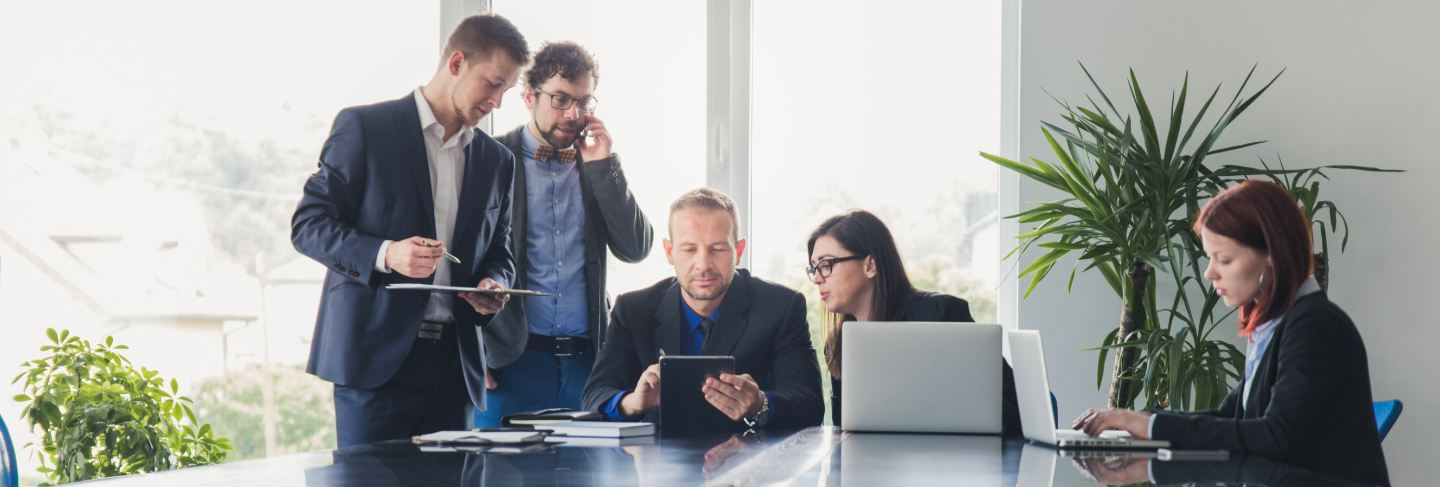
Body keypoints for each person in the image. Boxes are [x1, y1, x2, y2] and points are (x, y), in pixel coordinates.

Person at [290, 13, 528, 447]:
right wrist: (386, 253)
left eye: (506, 90)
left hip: (456, 368)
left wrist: (495, 283)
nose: (497, 101)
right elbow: (308, 225)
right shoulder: (365, 128)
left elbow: (501, 251)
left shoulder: (498, 161)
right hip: (374, 366)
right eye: (493, 83)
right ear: (456, 62)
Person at [1071, 180, 1389, 486]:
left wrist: (1150, 426)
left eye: (1223, 259)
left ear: (1272, 255)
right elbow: (1230, 418)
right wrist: (1139, 422)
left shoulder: (1316, 327)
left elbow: (1275, 437)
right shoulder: (1276, 326)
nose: (1210, 272)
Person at [475, 41, 655, 427]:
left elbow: (636, 248)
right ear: (528, 95)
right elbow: (458, 257)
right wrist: (469, 350)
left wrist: (604, 166)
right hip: (508, 363)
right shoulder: (488, 156)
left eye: (584, 102)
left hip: (588, 366)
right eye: (560, 99)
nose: (574, 114)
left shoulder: (597, 164)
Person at [581, 188, 824, 429]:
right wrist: (633, 402)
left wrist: (761, 404)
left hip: (748, 460)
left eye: (717, 249)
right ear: (669, 252)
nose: (703, 265)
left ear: (738, 252)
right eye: (689, 249)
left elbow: (810, 405)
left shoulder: (781, 308)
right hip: (658, 463)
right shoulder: (633, 311)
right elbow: (593, 397)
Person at [806, 210, 1022, 433]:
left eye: (826, 264)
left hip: (953, 458)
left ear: (870, 265)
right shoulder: (839, 343)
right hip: (872, 463)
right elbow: (845, 431)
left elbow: (1015, 406)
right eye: (814, 268)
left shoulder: (940, 315)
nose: (816, 278)